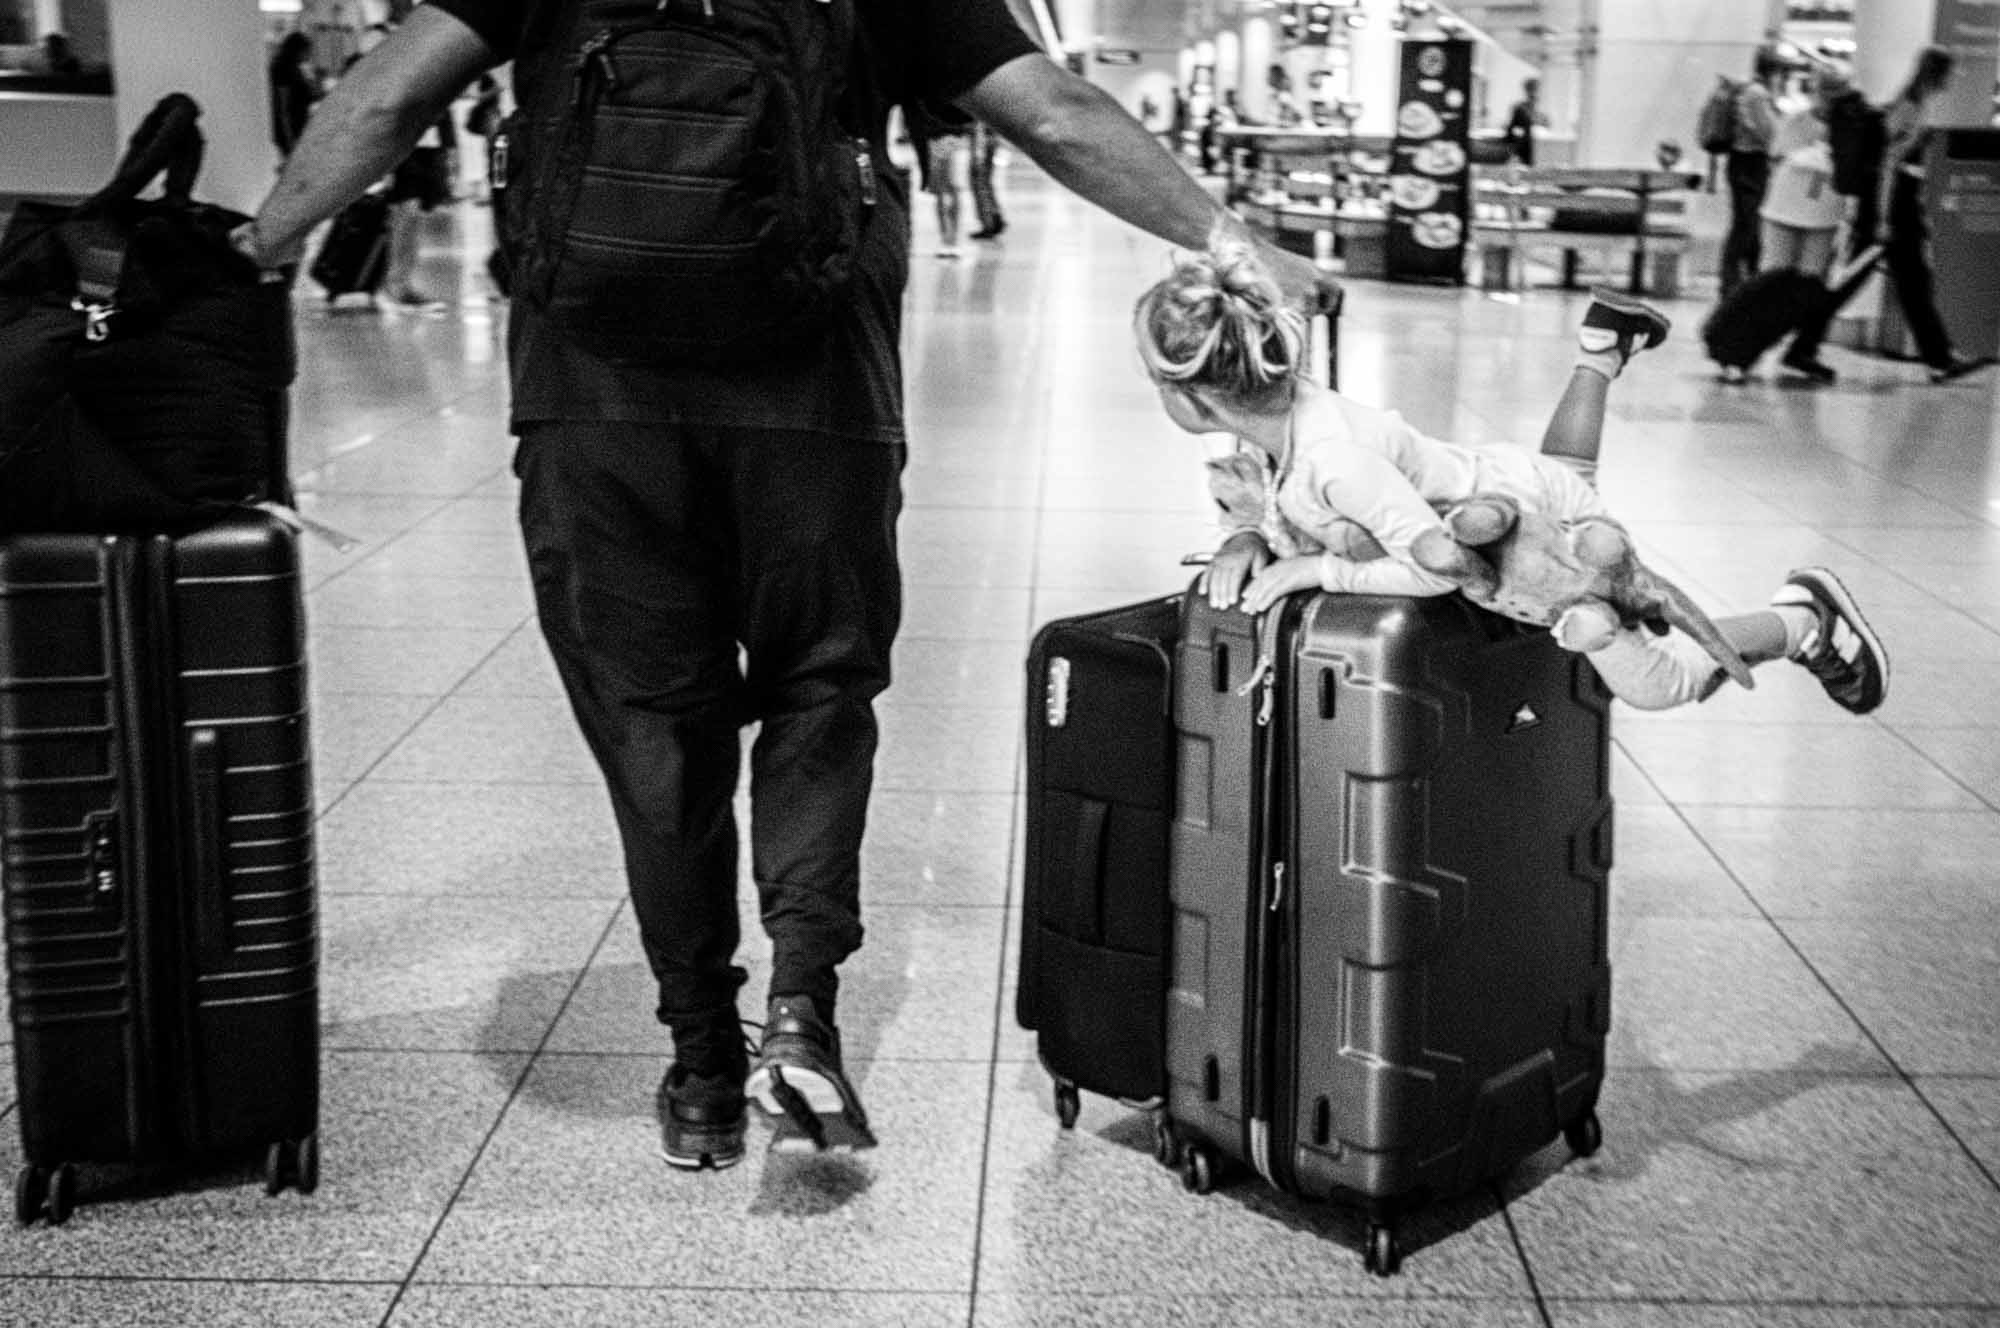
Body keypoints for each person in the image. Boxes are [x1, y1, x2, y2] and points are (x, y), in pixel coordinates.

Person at [230, 1, 1333, 1173]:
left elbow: (384, 100)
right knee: (819, 692)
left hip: (594, 399)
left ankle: (703, 1062)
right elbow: (1052, 116)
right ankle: (802, 1005)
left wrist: (251, 253)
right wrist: (1228, 241)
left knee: (652, 722)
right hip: (818, 393)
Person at [1139, 240, 1888, 717]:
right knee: (1563, 476)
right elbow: (1261, 498)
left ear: (1192, 396)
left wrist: (1317, 568)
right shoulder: (1273, 417)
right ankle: (1602, 346)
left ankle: (1799, 620)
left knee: (1660, 683)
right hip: (1504, 491)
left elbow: (1439, 570)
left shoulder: (1335, 465)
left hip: (1512, 535)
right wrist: (1242, 534)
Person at [1875, 46, 1995, 385]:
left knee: (1916, 285)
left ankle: (1940, 358)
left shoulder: (1915, 105)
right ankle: (1940, 360)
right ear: (1937, 74)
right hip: (1895, 207)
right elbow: (1889, 167)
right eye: (1950, 74)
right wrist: (1884, 218)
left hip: (1903, 205)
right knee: (1914, 285)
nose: (1954, 80)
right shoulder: (1909, 110)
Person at [1758, 65, 1843, 281]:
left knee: (1793, 278)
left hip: (1815, 212)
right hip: (1789, 209)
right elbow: (1776, 155)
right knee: (1786, 278)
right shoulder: (1798, 120)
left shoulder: (1800, 121)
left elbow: (1775, 156)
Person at [1720, 49, 1782, 299]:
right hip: (1750, 164)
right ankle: (1732, 284)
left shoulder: (1751, 91)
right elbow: (1768, 132)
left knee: (1746, 224)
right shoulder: (1758, 94)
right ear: (1773, 71)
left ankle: (1739, 282)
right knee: (1746, 226)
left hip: (1744, 163)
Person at [269, 33, 321, 160]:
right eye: (307, 51)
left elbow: (309, 94)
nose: (309, 55)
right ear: (298, 50)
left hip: (297, 127)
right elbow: (283, 108)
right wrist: (290, 140)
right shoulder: (283, 68)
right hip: (290, 131)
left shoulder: (296, 68)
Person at [968, 119, 1007, 241]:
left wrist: (978, 153)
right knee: (986, 183)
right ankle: (995, 217)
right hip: (988, 141)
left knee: (980, 184)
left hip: (982, 144)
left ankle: (989, 223)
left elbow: (979, 127)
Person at [1503, 77, 1546, 167]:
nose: (1535, 93)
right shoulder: (1520, 108)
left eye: (1536, 89)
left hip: (1539, 150)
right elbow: (1510, 129)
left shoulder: (1541, 113)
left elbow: (1546, 127)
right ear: (1527, 91)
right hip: (1525, 150)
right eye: (1532, 89)